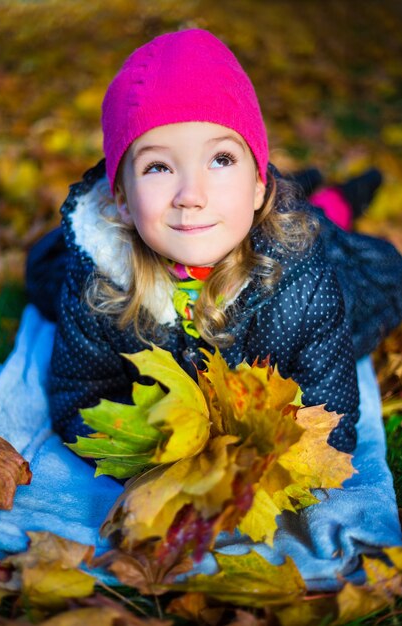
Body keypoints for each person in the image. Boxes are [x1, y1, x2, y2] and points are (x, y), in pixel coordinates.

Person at [27, 29, 402, 455]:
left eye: (220, 159)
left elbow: (331, 428)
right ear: (123, 200)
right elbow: (79, 399)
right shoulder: (99, 283)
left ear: (259, 184)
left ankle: (335, 197)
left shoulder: (307, 285)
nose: (191, 195)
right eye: (158, 167)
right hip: (237, 216)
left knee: (320, 223)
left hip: (307, 245)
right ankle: (308, 187)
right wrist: (157, 448)